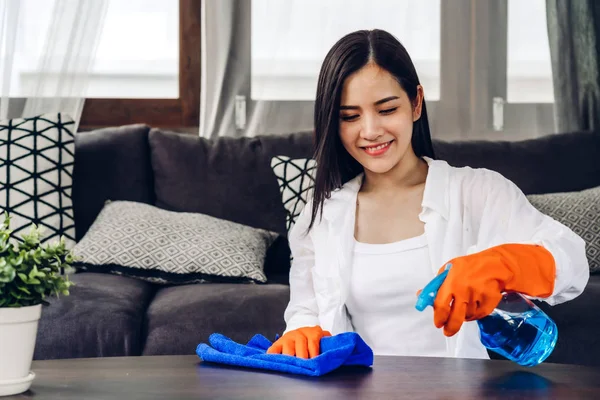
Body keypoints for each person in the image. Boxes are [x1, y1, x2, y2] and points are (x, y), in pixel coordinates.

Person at [266, 29, 589, 360]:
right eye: (350, 116)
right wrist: (300, 332)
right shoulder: (319, 216)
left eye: (387, 109)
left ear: (416, 103)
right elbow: (304, 311)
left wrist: (500, 265)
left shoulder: (478, 192)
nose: (370, 130)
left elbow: (573, 263)